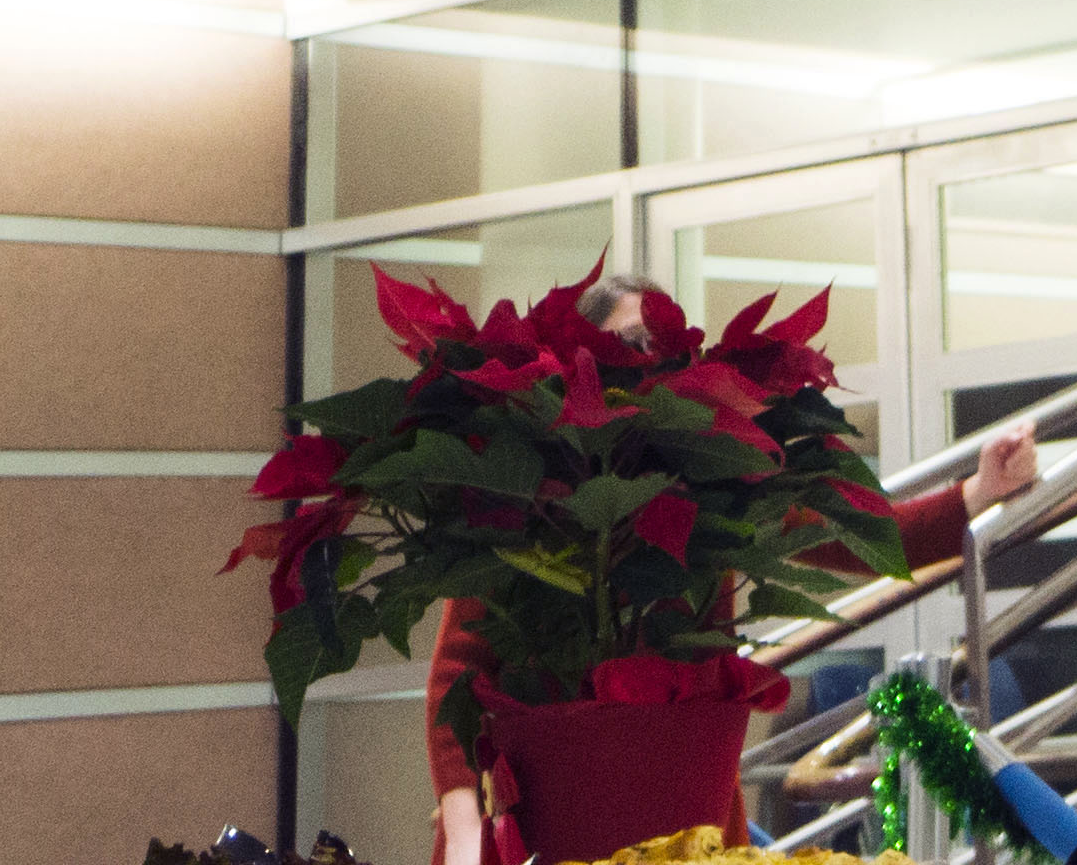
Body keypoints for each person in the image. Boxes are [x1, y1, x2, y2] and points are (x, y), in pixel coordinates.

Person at [428, 275, 1043, 865]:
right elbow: (455, 677)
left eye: (661, 342)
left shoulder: (708, 470)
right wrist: (461, 831)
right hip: (557, 818)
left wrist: (979, 491)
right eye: (629, 342)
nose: (649, 358)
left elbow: (845, 535)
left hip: (684, 819)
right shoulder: (535, 497)